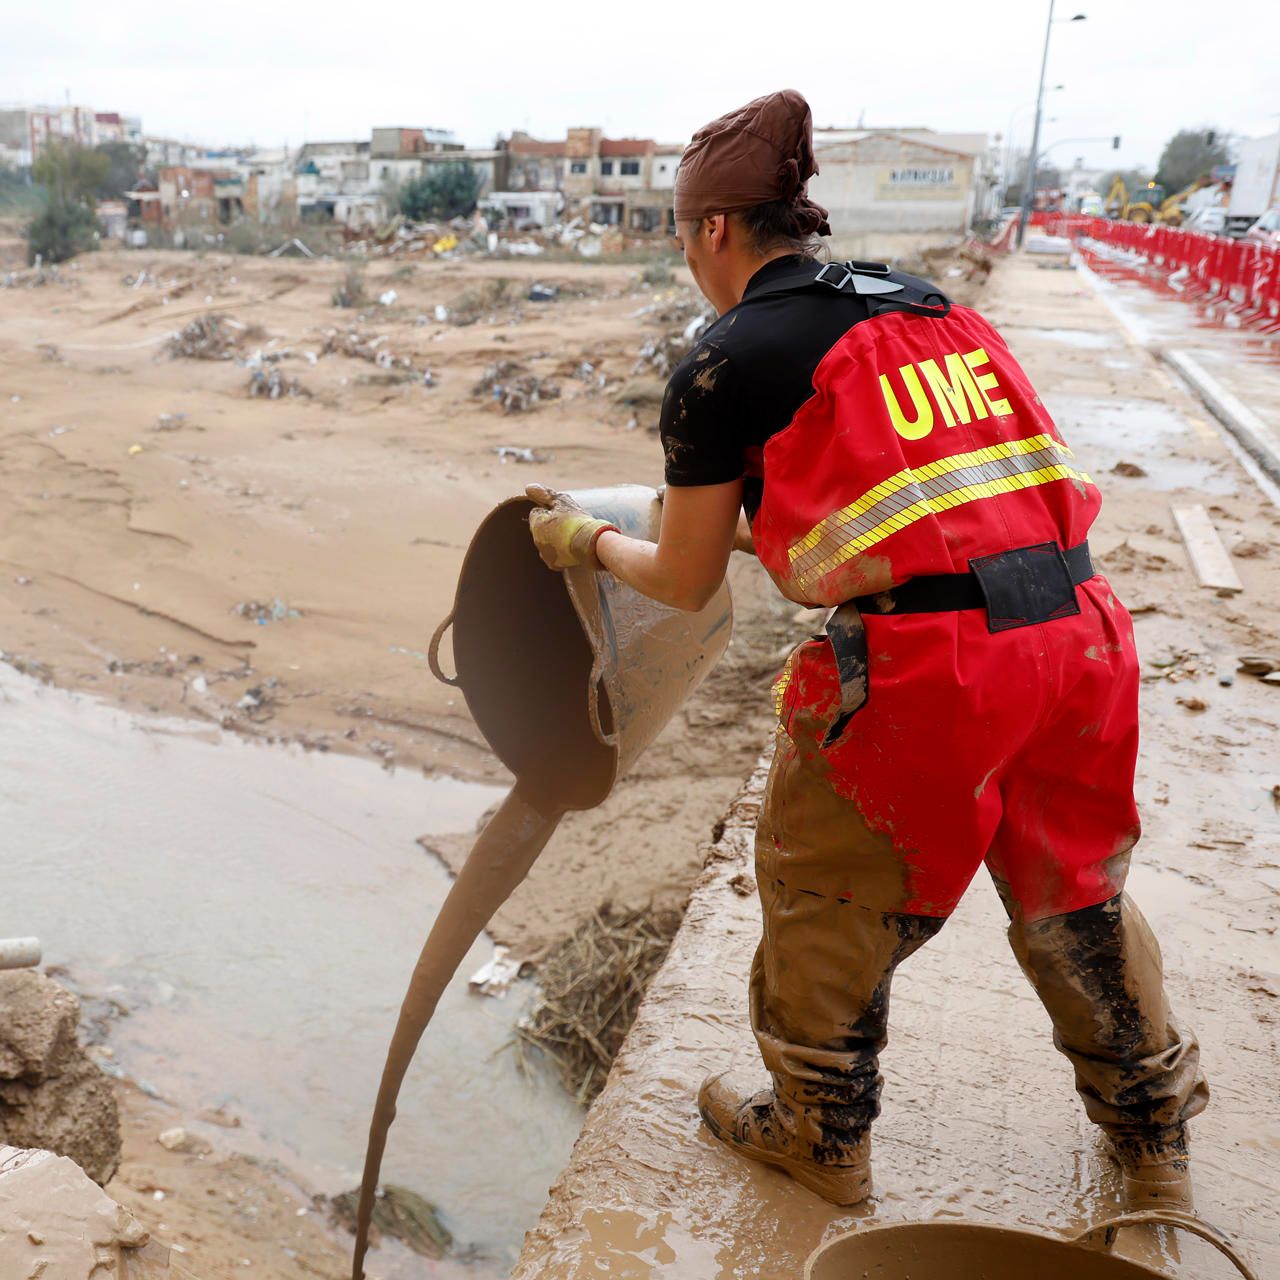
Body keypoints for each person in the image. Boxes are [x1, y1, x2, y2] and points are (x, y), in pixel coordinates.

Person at [526, 89, 1208, 1211]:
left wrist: (584, 539)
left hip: (932, 672)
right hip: (1079, 637)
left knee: (822, 885)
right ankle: (1152, 1138)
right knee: (1073, 890)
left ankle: (817, 1132)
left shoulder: (726, 357)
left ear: (710, 230)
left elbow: (681, 579)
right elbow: (928, 503)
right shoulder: (926, 307)